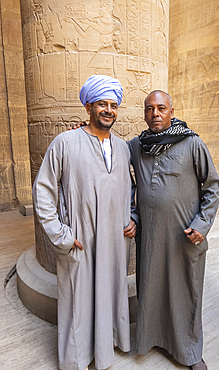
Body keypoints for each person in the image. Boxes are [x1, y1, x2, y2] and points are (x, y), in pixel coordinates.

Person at [32, 75, 136, 370]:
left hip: (115, 241)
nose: (108, 110)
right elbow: (43, 191)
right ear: (88, 106)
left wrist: (133, 218)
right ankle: (77, 360)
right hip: (79, 240)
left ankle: (106, 350)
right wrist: (61, 235)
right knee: (79, 301)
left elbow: (131, 189)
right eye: (102, 103)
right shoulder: (65, 142)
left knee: (108, 294)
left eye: (113, 105)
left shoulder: (123, 147)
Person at [128, 90, 219, 370]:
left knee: (186, 292)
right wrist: (81, 130)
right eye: (149, 109)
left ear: (171, 111)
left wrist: (201, 224)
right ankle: (153, 338)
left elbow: (212, 187)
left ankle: (190, 352)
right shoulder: (136, 146)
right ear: (144, 114)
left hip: (185, 237)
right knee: (152, 288)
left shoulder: (192, 143)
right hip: (152, 237)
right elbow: (106, 153)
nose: (154, 114)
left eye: (160, 108)